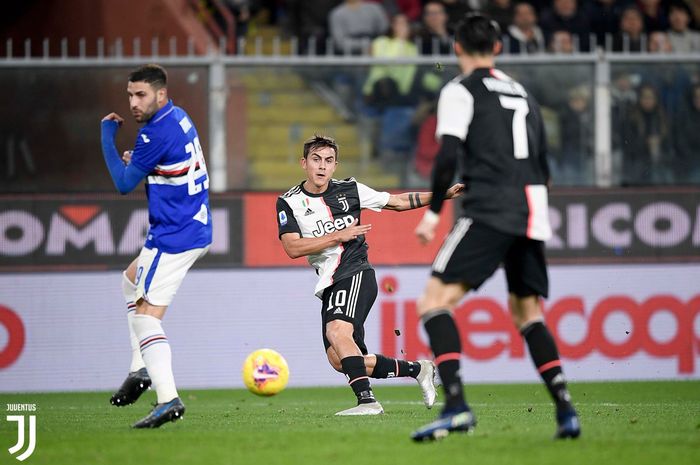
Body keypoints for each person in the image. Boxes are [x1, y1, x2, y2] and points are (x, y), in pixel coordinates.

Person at [410, 14, 580, 441]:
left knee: (433, 303)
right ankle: (565, 411)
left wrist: (432, 213)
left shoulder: (460, 89)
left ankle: (456, 406)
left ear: (456, 48)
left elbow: (446, 155)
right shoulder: (522, 91)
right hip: (532, 209)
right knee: (528, 313)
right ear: (499, 48)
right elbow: (545, 165)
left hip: (490, 207)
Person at [276, 134, 464, 415]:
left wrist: (443, 195)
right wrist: (337, 235)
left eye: (328, 161)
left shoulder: (350, 190)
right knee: (340, 359)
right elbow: (292, 247)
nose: (322, 166)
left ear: (335, 165)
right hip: (329, 282)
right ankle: (419, 369)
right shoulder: (288, 202)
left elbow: (398, 202)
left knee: (337, 330)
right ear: (304, 163)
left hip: (355, 272)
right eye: (316, 159)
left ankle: (367, 402)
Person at [100, 64, 212, 428]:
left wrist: (106, 136)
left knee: (147, 318)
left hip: (175, 235)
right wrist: (146, 165)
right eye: (130, 95)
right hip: (192, 223)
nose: (133, 102)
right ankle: (139, 369)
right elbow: (162, 164)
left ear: (160, 95)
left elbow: (121, 183)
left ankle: (168, 400)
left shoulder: (154, 134)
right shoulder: (177, 117)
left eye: (141, 95)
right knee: (130, 280)